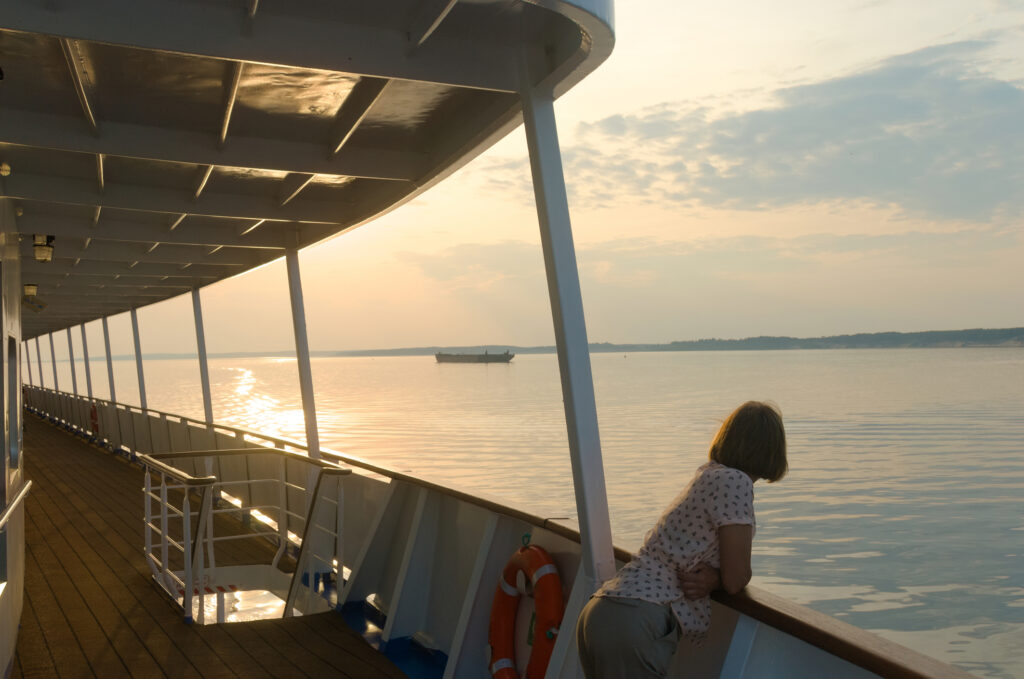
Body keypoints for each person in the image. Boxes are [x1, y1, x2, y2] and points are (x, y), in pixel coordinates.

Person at [576, 401, 788, 679]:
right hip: (636, 621)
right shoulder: (736, 482)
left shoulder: (708, 475)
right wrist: (718, 579)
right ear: (772, 449)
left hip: (604, 612)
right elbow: (737, 579)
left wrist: (714, 577)